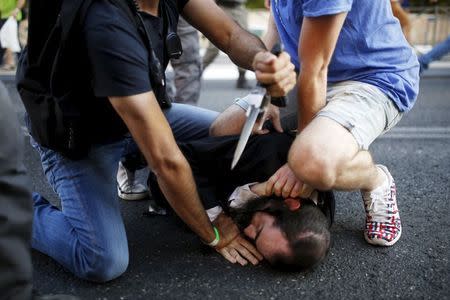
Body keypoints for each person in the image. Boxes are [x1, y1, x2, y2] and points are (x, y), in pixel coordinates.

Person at [26, 0, 296, 282]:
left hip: (137, 114)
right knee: (102, 260)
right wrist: (213, 232)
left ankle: (134, 163)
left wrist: (263, 62)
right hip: (81, 137)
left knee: (239, 133)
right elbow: (165, 161)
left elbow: (230, 35)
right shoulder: (105, 22)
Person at [210, 0, 420, 247]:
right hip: (307, 74)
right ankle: (309, 171)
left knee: (309, 163)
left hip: (373, 78)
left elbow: (316, 70)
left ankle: (374, 179)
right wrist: (269, 89)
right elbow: (273, 32)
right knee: (223, 131)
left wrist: (299, 164)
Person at [148, 132, 334, 270]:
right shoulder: (269, 154)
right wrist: (215, 218)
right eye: (258, 229)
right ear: (291, 203)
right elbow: (175, 160)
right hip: (220, 138)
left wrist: (254, 192)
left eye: (253, 240)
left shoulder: (317, 223)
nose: (246, 231)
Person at [202, 0, 252, 89]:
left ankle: (242, 77)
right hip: (222, 8)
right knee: (213, 48)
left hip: (239, 8)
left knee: (243, 44)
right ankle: (196, 74)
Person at [0, 0, 25, 69]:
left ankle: (22, 61)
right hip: (3, 16)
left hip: (13, 16)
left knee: (14, 40)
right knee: (3, 40)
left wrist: (17, 9)